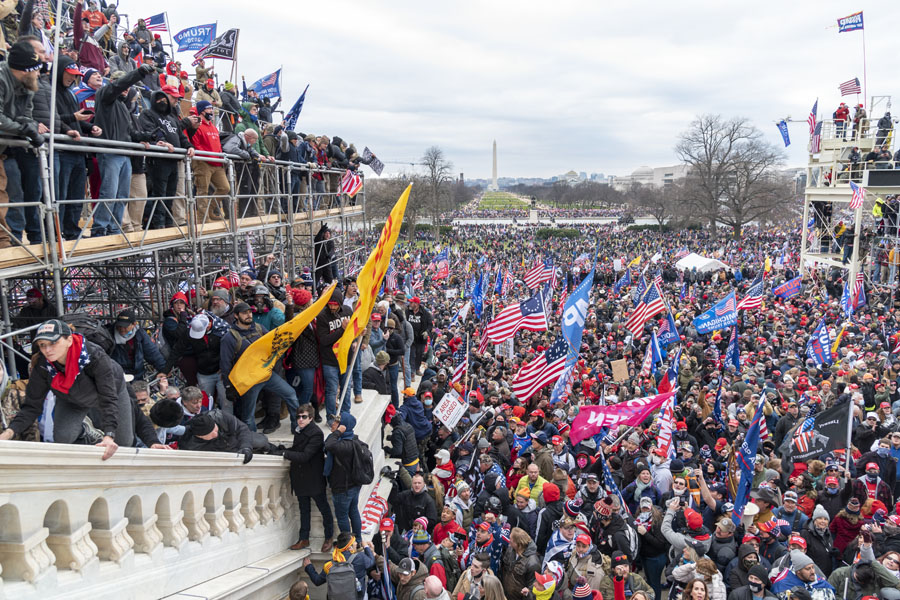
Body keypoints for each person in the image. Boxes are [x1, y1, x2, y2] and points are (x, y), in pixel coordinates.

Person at [0, 319, 133, 458]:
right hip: (70, 397)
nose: (47, 350)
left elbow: (108, 397)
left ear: (69, 340)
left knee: (123, 442)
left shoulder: (95, 356)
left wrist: (109, 435)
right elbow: (32, 406)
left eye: (53, 343)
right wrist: (8, 433)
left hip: (109, 393)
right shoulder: (42, 365)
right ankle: (84, 434)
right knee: (63, 437)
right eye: (42, 345)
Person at [0, 41, 47, 246]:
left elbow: (26, 115)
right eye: (35, 69)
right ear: (23, 70)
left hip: (4, 149)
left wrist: (32, 128)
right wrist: (22, 129)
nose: (39, 74)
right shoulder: (1, 78)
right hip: (5, 144)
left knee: (10, 193)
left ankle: (8, 241)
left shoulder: (28, 84)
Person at [284, 404, 334, 553]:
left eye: (304, 417)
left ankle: (329, 537)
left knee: (324, 508)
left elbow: (305, 455)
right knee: (303, 509)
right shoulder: (299, 431)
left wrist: (286, 454)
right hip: (300, 479)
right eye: (298, 416)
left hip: (313, 479)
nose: (300, 419)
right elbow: (297, 450)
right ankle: (303, 538)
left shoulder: (316, 433)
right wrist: (283, 450)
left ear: (311, 418)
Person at [324, 412, 364, 543]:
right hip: (354, 486)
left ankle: (348, 543)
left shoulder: (342, 445)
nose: (333, 424)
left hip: (343, 488)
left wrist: (337, 433)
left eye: (336, 422)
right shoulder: (353, 440)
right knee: (353, 512)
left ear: (343, 427)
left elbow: (328, 444)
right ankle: (357, 539)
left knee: (342, 517)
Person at [317, 290, 352, 422]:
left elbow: (353, 330)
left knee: (346, 389)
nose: (332, 307)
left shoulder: (348, 311)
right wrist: (341, 330)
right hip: (330, 360)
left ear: (340, 303)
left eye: (335, 305)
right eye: (330, 304)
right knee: (331, 390)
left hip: (346, 357)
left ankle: (346, 415)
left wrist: (358, 336)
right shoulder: (322, 317)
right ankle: (331, 418)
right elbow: (324, 340)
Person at [107, 309, 168, 381]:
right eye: (119, 326)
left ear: (134, 324)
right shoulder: (109, 335)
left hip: (137, 374)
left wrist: (164, 369)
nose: (121, 329)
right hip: (117, 376)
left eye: (125, 326)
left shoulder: (140, 334)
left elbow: (152, 353)